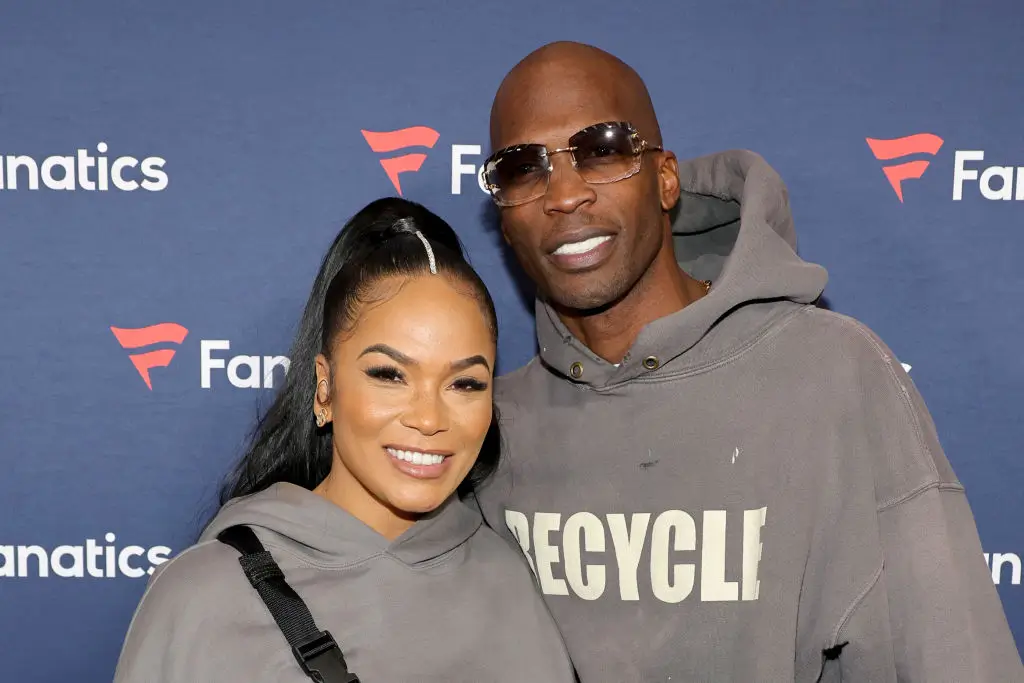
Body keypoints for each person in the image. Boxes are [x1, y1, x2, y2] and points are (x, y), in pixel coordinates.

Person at [474, 41, 1023, 682]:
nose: (563, 194)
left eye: (601, 150)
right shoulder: (484, 429)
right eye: (522, 168)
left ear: (666, 178)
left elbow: (955, 661)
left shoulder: (834, 376)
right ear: (503, 216)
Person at [113, 197, 577, 682]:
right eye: (389, 374)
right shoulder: (205, 597)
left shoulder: (507, 583)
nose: (429, 418)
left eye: (465, 384)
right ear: (325, 387)